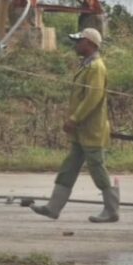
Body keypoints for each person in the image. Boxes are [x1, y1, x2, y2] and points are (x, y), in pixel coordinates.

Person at [31, 27, 119, 223]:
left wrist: (74, 118)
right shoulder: (86, 65)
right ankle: (53, 207)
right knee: (69, 167)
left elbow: (92, 97)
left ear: (90, 44)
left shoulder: (96, 67)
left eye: (79, 41)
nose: (76, 45)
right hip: (82, 131)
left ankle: (112, 210)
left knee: (97, 169)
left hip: (91, 130)